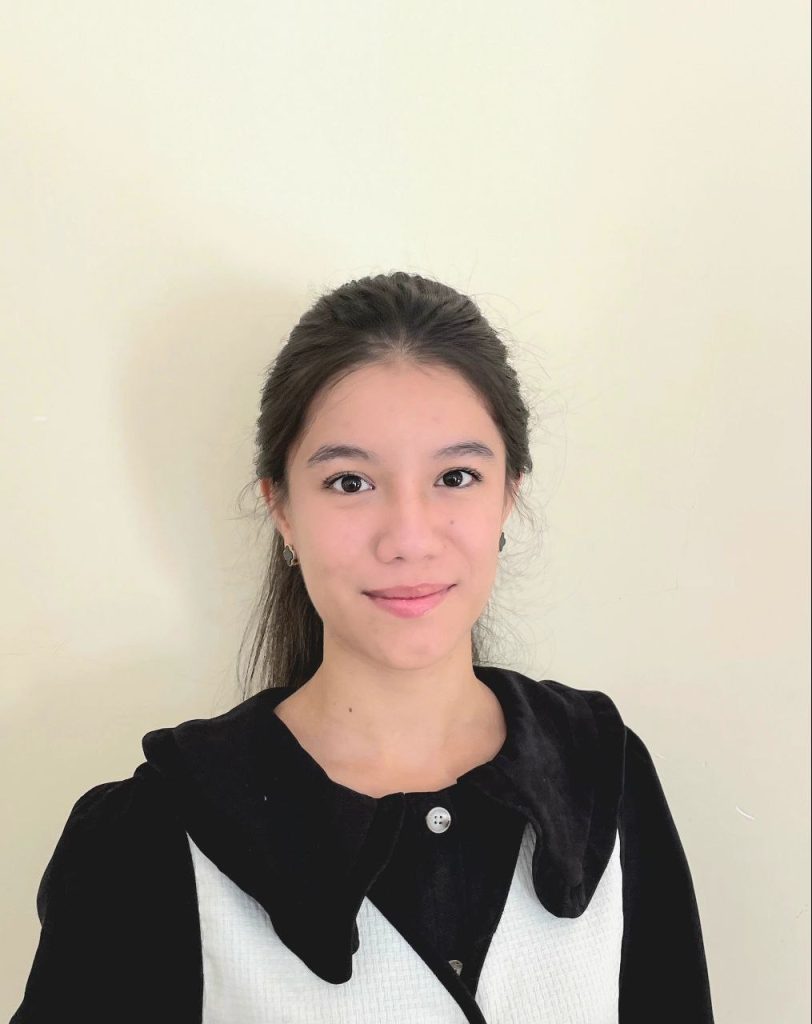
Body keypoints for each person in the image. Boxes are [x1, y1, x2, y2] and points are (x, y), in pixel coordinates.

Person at [11, 271, 715, 1023]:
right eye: (350, 483)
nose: (409, 538)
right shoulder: (151, 837)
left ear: (509, 493)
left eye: (456, 476)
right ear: (280, 507)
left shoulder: (603, 775)